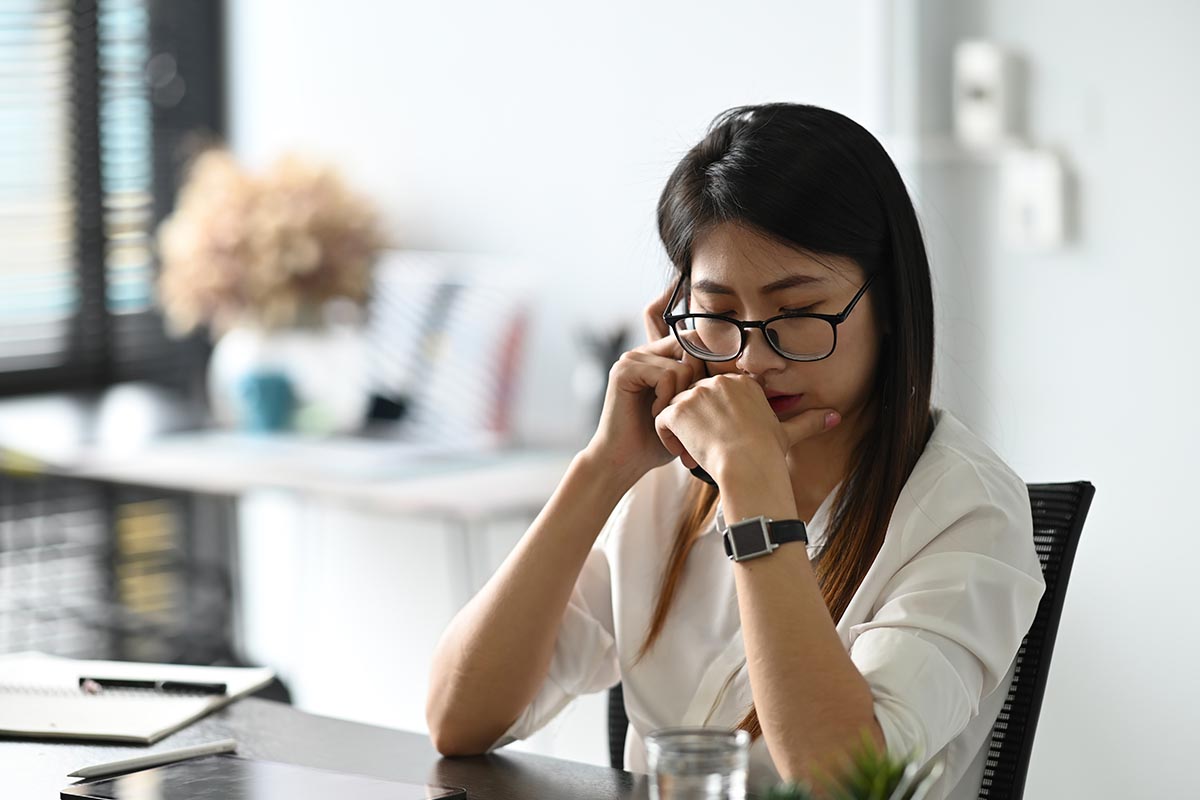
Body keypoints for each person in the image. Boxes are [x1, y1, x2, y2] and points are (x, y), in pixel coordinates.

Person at [425, 103, 1045, 800]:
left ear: (891, 306)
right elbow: (459, 720)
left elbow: (846, 786)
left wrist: (755, 497)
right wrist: (604, 467)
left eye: (799, 312)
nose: (752, 359)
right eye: (717, 314)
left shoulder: (967, 509)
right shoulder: (665, 485)